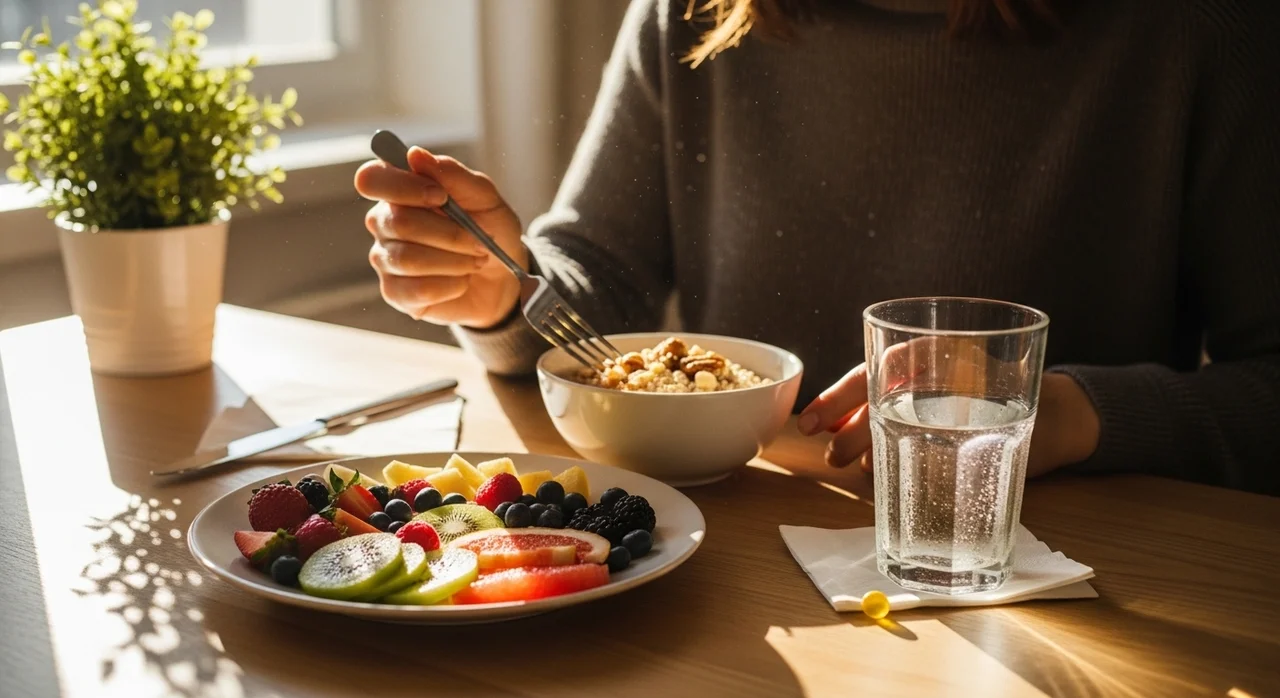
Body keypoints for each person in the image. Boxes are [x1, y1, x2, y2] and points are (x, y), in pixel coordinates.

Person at [354, 0, 1280, 496]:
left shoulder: (1202, 31)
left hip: (1056, 593)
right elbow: (597, 282)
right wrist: (503, 294)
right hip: (739, 574)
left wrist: (1067, 413)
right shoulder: (698, 15)